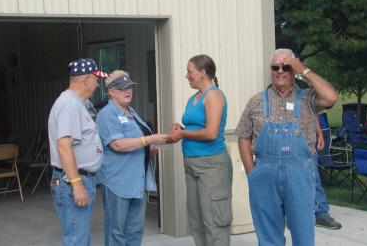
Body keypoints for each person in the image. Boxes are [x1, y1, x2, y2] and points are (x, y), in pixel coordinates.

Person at [235, 48, 337, 246]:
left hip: (299, 174)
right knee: (268, 237)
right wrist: (251, 173)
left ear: (293, 70)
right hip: (264, 176)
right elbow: (243, 135)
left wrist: (304, 70)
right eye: (275, 67)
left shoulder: (308, 98)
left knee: (303, 235)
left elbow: (331, 97)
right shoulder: (256, 101)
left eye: (286, 66)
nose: (280, 71)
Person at [96, 70, 168, 246]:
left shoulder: (131, 111)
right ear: (111, 92)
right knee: (117, 232)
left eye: (130, 88)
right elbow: (118, 144)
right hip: (118, 183)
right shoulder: (107, 115)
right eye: (122, 88)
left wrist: (148, 147)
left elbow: (136, 139)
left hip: (138, 181)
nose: (128, 91)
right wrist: (148, 139)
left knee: (135, 230)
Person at [168, 54, 233, 246]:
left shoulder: (213, 95)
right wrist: (178, 127)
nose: (186, 76)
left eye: (190, 71)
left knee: (214, 221)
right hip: (191, 163)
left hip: (212, 165)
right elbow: (193, 127)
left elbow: (211, 132)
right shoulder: (193, 98)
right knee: (196, 221)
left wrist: (182, 134)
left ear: (203, 72)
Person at [48, 58, 108, 246]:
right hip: (73, 180)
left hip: (79, 179)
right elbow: (64, 146)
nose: (97, 85)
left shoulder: (76, 103)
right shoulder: (70, 104)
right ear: (86, 80)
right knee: (77, 239)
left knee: (79, 237)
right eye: (96, 80)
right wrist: (77, 184)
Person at [297, 77, 342, 230]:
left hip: (308, 144)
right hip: (287, 145)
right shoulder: (275, 88)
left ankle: (321, 214)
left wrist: (320, 134)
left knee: (314, 178)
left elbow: (314, 111)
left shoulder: (304, 85)